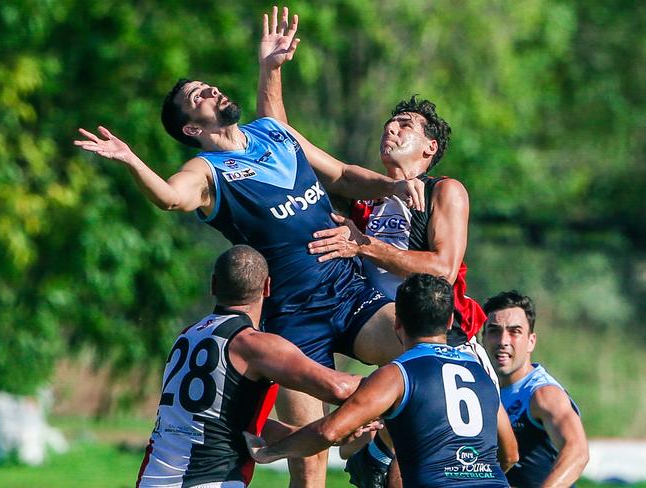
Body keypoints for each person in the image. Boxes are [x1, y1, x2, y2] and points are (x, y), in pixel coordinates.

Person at [75, 7, 421, 487]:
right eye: (198, 95)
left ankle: (379, 456)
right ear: (192, 128)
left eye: (209, 85)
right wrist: (132, 160)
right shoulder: (206, 170)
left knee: (423, 360)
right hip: (292, 316)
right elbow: (172, 199)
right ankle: (367, 450)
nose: (211, 90)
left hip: (347, 291)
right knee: (311, 453)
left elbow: (340, 174)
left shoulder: (273, 133)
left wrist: (391, 187)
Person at [256, 9, 497, 487]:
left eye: (405, 125)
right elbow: (283, 141)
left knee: (449, 448)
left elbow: (443, 269)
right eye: (390, 123)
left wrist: (362, 247)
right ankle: (375, 442)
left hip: (421, 332)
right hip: (346, 315)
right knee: (310, 460)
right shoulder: (363, 192)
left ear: (429, 149)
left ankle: (382, 445)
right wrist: (271, 70)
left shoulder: (444, 191)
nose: (392, 128)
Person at [245, 274, 518, 487]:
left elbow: (328, 432)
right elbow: (510, 455)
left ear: (397, 322)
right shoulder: (479, 372)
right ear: (449, 323)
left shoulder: (398, 374)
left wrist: (270, 451)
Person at [136, 245, 366, 488]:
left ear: (213, 284)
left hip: (152, 480)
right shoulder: (253, 345)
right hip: (212, 481)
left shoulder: (187, 336)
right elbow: (339, 389)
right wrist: (397, 380)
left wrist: (316, 436)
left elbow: (226, 423)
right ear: (267, 287)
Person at [482, 291, 589, 487]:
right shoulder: (481, 390)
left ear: (531, 341)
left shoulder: (543, 394)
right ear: (483, 338)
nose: (503, 341)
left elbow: (577, 452)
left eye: (514, 332)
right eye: (494, 331)